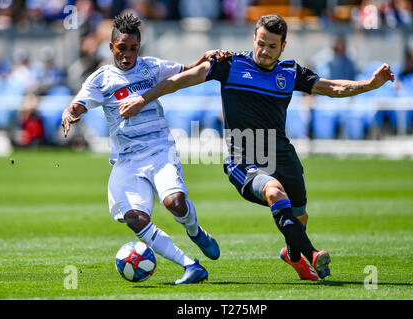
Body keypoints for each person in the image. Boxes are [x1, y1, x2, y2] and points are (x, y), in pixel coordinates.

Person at [119, 14, 395, 281]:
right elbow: (180, 80)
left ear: (283, 46)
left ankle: (293, 254)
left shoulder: (290, 72)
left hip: (283, 155)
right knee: (274, 192)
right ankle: (312, 254)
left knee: (300, 216)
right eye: (260, 43)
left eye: (272, 46)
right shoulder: (229, 65)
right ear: (254, 38)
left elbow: (333, 87)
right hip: (243, 158)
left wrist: (370, 84)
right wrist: (143, 99)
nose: (264, 50)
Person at [62, 13, 229, 285]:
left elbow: (186, 70)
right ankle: (191, 266)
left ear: (139, 48)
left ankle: (195, 230)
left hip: (159, 149)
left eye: (133, 48)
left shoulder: (151, 67)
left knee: (175, 203)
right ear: (111, 47)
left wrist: (206, 57)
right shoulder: (101, 79)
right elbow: (79, 104)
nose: (128, 54)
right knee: (134, 218)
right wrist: (69, 112)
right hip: (126, 160)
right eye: (122, 48)